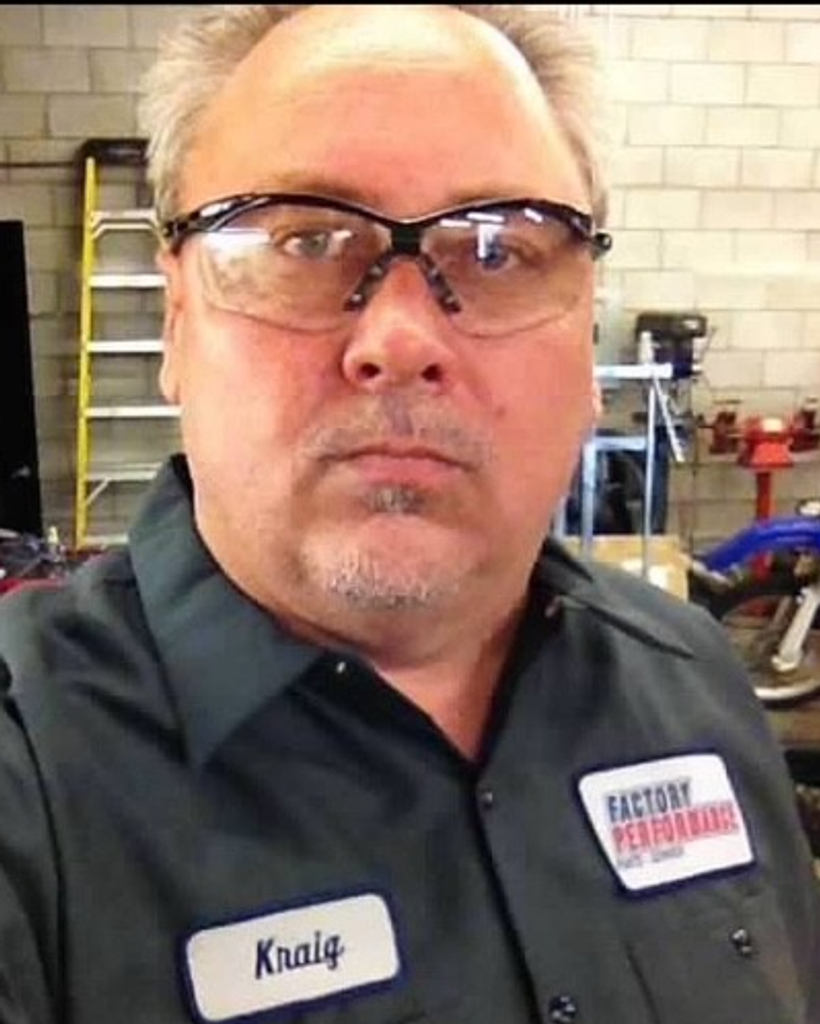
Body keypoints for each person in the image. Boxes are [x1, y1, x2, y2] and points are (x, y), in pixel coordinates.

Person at [0, 4, 818, 1023]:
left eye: (498, 250)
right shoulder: (29, 779)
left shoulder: (692, 679)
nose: (399, 339)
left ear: (583, 328)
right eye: (305, 240)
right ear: (176, 318)